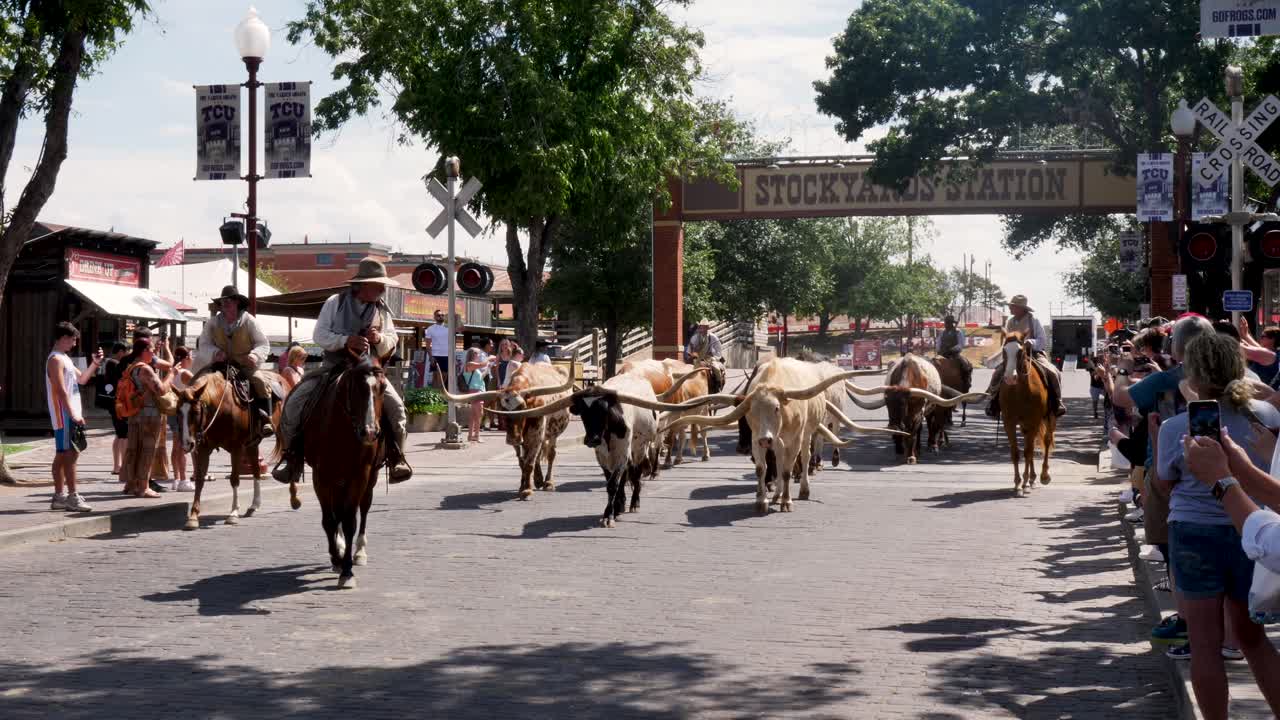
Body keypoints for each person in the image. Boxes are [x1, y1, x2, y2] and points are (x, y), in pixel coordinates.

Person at [1155, 332, 1280, 717]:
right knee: (1252, 637)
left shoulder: (1176, 428)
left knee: (1203, 643)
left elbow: (1163, 484)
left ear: (1193, 374)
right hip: (1250, 528)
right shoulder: (1268, 416)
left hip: (1193, 533)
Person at [273, 258, 412, 484]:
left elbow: (393, 339)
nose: (383, 289)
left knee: (397, 408)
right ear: (363, 285)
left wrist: (380, 338)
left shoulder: (382, 309)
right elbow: (320, 335)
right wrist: (346, 340)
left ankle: (397, 457)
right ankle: (291, 457)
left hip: (370, 371)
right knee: (295, 402)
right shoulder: (335, 302)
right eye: (379, 285)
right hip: (334, 366)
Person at [194, 285, 274, 439]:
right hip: (219, 365)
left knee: (259, 381)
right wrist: (214, 352)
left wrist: (255, 356)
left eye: (229, 300)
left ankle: (266, 419)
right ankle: (197, 420)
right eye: (223, 300)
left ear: (237, 302)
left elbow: (263, 343)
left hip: (245, 364)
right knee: (198, 382)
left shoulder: (250, 321)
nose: (225, 303)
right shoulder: (213, 322)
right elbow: (203, 343)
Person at [45, 322, 101, 513]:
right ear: (63, 338)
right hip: (64, 414)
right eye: (73, 339)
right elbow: (60, 390)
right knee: (71, 454)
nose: (75, 343)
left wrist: (95, 364)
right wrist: (73, 414)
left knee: (63, 454)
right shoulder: (56, 360)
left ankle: (60, 496)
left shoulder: (64, 358)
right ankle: (72, 495)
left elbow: (82, 379)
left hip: (69, 413)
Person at [984, 294, 1065, 418]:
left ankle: (1057, 402)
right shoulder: (1010, 322)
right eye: (1011, 306)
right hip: (1013, 355)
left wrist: (1030, 342)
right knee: (998, 372)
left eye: (1013, 306)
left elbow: (1042, 340)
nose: (1011, 309)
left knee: (1053, 372)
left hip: (1033, 353)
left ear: (1022, 308)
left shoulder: (1033, 320)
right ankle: (993, 402)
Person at [118, 337, 171, 499]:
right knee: (147, 451)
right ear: (144, 351)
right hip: (149, 416)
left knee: (134, 449)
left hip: (135, 414)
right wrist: (172, 374)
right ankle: (143, 487)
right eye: (152, 349)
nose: (154, 352)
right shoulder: (145, 369)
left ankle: (130, 484)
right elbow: (161, 390)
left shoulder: (131, 367)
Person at [166, 347, 196, 492]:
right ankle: (184, 479)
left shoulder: (172, 372)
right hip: (184, 412)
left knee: (175, 446)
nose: (192, 358)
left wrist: (166, 347)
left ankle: (176, 478)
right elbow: (198, 391)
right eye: (191, 355)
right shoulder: (185, 373)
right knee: (182, 447)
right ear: (186, 358)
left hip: (172, 410)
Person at [100, 341, 129, 476]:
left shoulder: (108, 363)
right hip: (118, 404)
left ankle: (117, 466)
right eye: (127, 351)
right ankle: (123, 466)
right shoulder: (114, 363)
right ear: (121, 352)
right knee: (124, 435)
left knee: (119, 434)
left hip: (113, 404)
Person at [935, 315, 973, 388]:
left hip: (954, 354)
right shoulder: (942, 332)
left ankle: (966, 381)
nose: (946, 324)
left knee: (965, 365)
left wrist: (952, 349)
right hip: (942, 354)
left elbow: (960, 344)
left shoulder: (958, 332)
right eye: (945, 323)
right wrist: (939, 350)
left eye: (947, 323)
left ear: (951, 323)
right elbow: (938, 343)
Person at [425, 309, 453, 388]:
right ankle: (435, 396)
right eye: (438, 315)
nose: (440, 317)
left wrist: (457, 320)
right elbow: (427, 344)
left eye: (442, 315)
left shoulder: (450, 327)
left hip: (447, 355)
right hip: (436, 355)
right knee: (436, 376)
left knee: (444, 376)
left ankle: (439, 394)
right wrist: (431, 357)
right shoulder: (430, 329)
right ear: (434, 317)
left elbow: (462, 329)